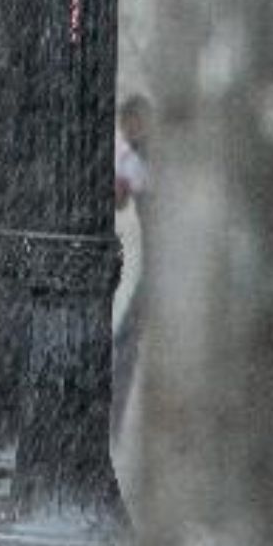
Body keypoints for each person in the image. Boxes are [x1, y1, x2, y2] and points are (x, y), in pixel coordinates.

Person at [111, 93, 151, 440]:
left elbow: (121, 197)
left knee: (127, 341)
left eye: (129, 124)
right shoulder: (135, 157)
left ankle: (113, 427)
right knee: (127, 340)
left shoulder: (148, 156)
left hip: (166, 267)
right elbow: (121, 198)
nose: (126, 132)